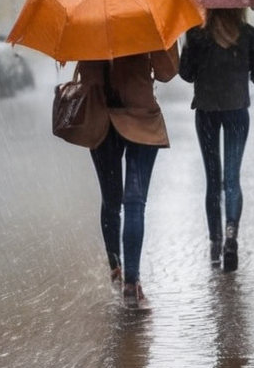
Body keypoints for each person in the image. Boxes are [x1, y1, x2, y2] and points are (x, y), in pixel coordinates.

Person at [76, 44, 180, 311]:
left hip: (100, 118)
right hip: (141, 117)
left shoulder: (89, 20)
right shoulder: (147, 21)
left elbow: (87, 78)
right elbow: (167, 72)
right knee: (134, 201)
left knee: (111, 200)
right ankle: (131, 283)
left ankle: (116, 269)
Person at [179, 7, 254, 272]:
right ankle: (231, 233)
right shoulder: (251, 35)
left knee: (212, 179)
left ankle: (215, 242)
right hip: (237, 111)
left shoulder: (196, 36)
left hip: (207, 112)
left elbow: (185, 73)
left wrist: (190, 52)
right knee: (232, 178)